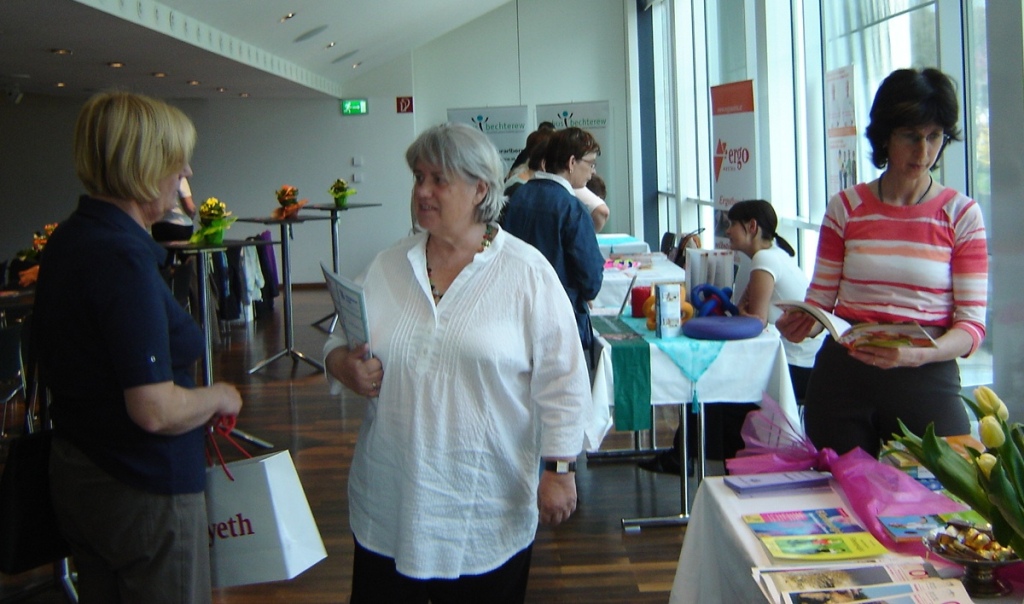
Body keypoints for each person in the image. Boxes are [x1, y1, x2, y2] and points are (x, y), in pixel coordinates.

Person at [324, 122, 590, 603]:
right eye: (418, 178)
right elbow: (338, 341)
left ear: (480, 190)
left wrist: (559, 469)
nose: (422, 191)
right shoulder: (388, 266)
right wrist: (343, 364)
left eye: (438, 180)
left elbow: (564, 381)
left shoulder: (526, 273)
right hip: (390, 503)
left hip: (485, 508)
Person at [33, 91, 243, 603]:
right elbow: (154, 409)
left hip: (83, 475)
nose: (186, 171)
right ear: (144, 166)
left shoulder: (70, 239)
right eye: (177, 160)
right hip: (142, 490)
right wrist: (218, 395)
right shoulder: (120, 258)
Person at [776, 67, 988, 458]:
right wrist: (803, 323)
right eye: (911, 136)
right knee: (837, 492)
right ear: (886, 135)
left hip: (925, 377)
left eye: (934, 136)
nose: (923, 152)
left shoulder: (961, 215)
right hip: (845, 378)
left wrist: (921, 355)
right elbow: (821, 301)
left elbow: (971, 325)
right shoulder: (846, 208)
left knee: (934, 492)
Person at [640, 200, 823, 475]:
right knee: (712, 378)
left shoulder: (766, 260)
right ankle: (694, 457)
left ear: (751, 227)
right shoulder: (770, 257)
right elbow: (743, 311)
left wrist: (741, 313)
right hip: (798, 359)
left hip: (795, 365)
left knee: (713, 381)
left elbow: (754, 320)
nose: (727, 231)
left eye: (732, 225)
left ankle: (706, 460)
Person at [501, 127, 606, 350]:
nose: (592, 172)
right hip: (561, 324)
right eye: (590, 163)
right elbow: (591, 281)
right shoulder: (573, 209)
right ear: (571, 162)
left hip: (515, 319)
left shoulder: (517, 196)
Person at [150, 176, 196, 242]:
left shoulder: (154, 176)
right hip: (179, 228)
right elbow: (190, 208)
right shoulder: (179, 177)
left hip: (157, 227)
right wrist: (193, 214)